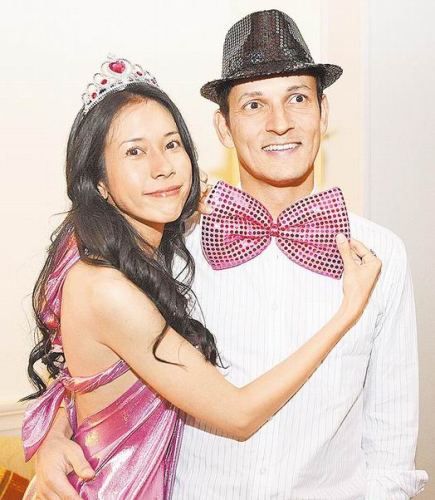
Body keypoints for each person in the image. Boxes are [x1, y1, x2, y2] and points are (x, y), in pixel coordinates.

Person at [29, 9, 428, 500]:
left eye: (298, 98)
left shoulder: (380, 256)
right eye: (254, 105)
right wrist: (59, 434)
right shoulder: (168, 244)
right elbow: (97, 358)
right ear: (223, 127)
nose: (280, 123)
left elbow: (391, 447)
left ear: (324, 114)